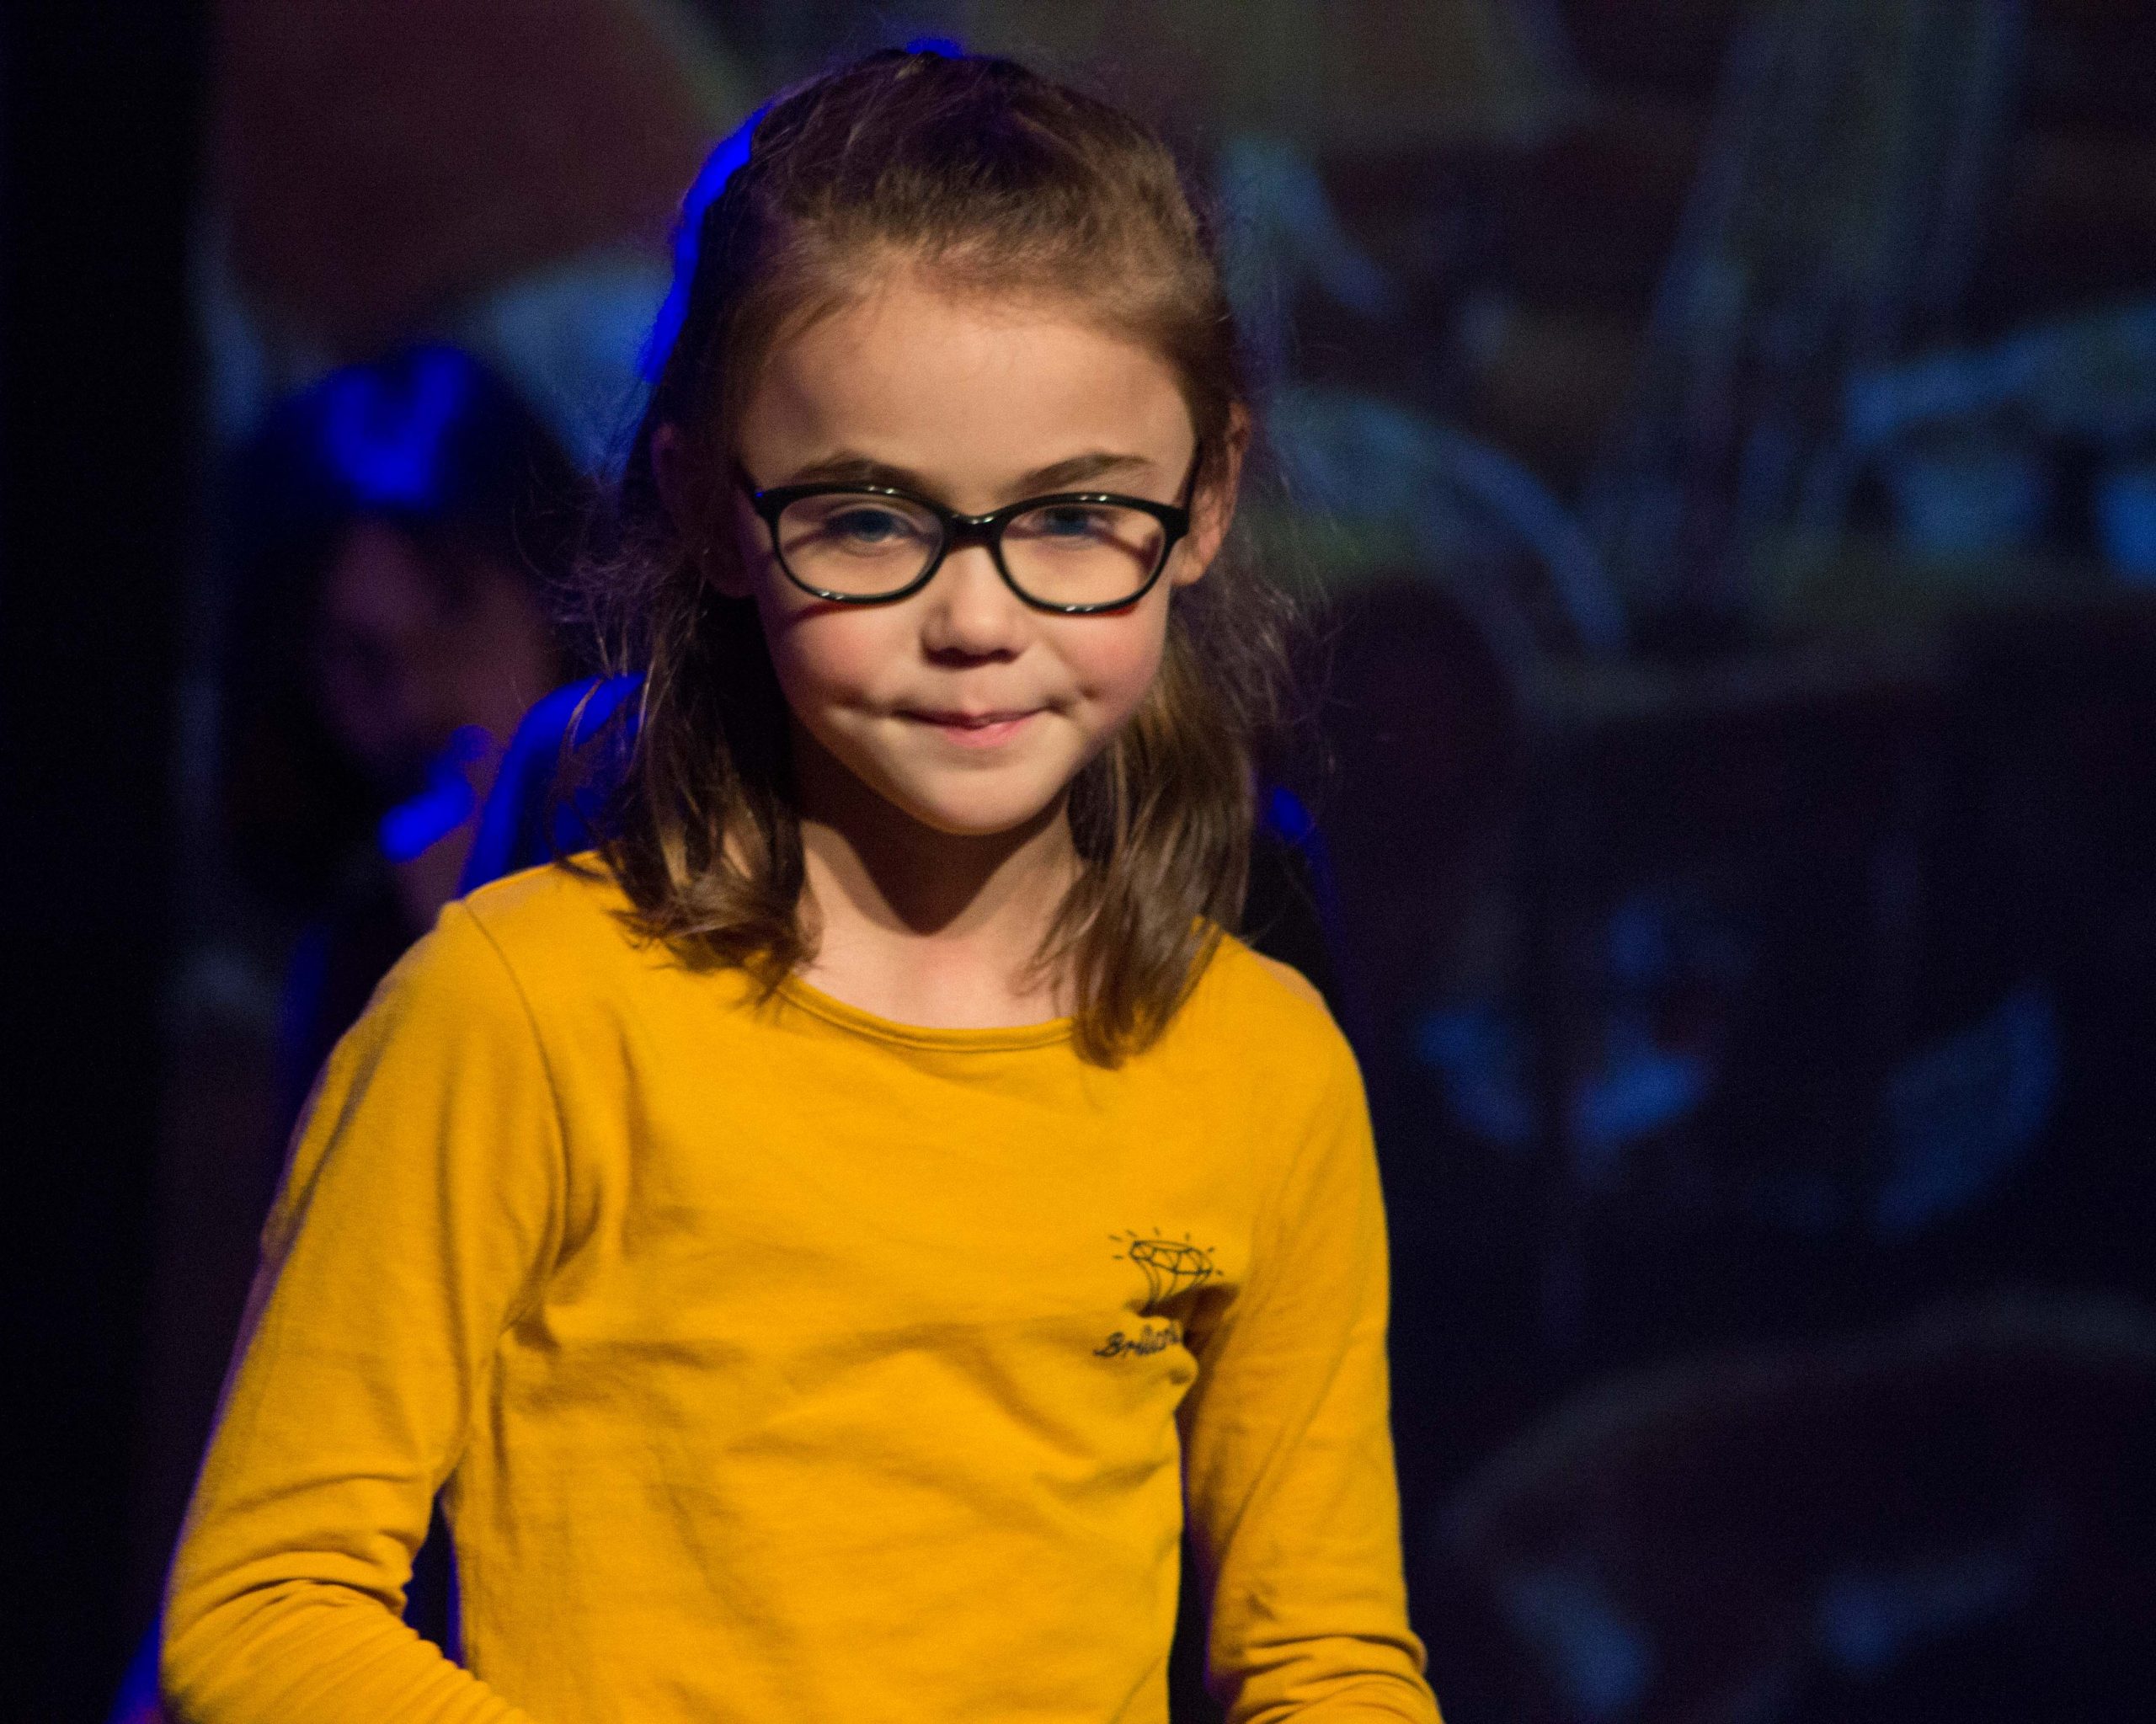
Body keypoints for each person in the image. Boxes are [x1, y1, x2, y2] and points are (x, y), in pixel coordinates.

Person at [161, 48, 1440, 1723]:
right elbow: (261, 1609)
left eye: (1071, 518)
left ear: (1200, 502)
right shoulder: (523, 1014)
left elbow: (1323, 1657)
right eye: (865, 519)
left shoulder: (1259, 1073)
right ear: (706, 504)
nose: (976, 616)